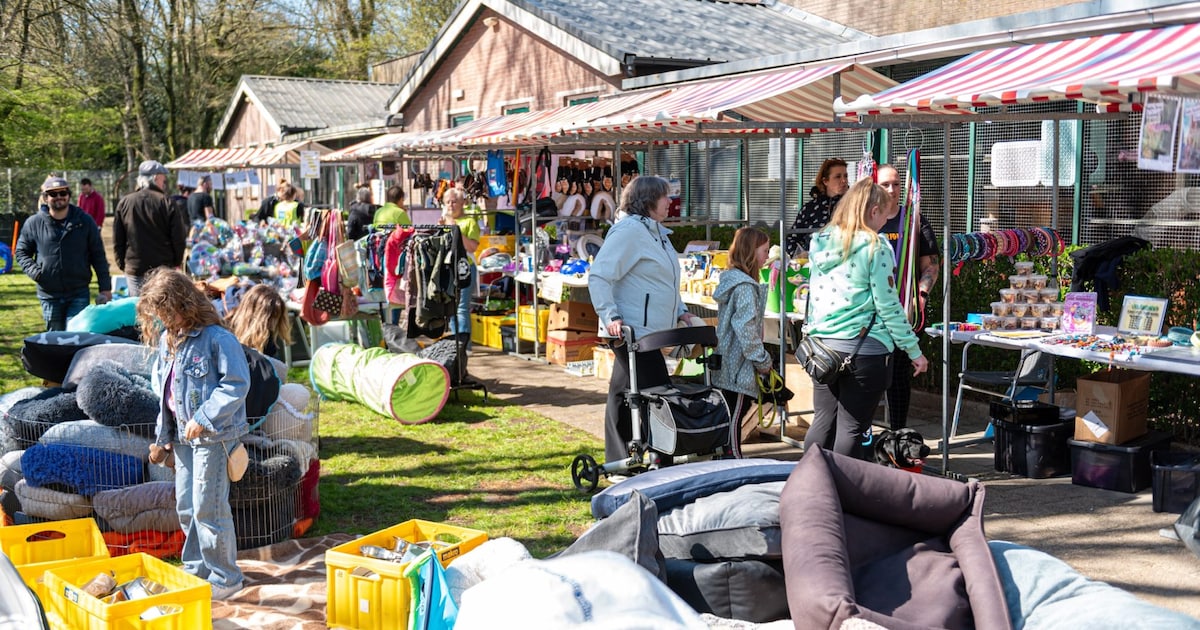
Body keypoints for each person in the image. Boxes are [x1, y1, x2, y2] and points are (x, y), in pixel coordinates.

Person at [138, 268, 248, 600]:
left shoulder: (218, 339)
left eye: (167, 312)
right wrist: (162, 438)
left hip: (213, 437)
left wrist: (205, 416)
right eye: (159, 315)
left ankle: (226, 577)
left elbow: (236, 384)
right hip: (184, 439)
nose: (163, 320)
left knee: (208, 506)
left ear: (185, 304)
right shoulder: (169, 340)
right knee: (186, 504)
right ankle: (197, 570)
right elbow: (165, 393)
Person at [802, 177, 928, 460]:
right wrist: (913, 350)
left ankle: (807, 483)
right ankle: (844, 493)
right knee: (853, 427)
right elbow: (888, 305)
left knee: (823, 420)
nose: (885, 221)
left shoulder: (820, 241)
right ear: (873, 212)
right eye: (885, 214)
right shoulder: (876, 246)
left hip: (822, 347)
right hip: (864, 350)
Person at [589, 175, 705, 464]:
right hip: (632, 331)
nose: (670, 202)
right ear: (649, 200)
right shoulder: (628, 231)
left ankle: (620, 458)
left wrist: (682, 310)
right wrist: (610, 315)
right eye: (665, 197)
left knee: (623, 390)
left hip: (651, 331)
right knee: (655, 390)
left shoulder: (658, 234)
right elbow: (600, 275)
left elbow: (664, 280)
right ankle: (655, 455)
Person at [876, 164, 940, 430]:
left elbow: (931, 265)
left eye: (896, 184)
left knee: (900, 377)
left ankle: (897, 436)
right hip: (871, 314)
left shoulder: (915, 221)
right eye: (885, 184)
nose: (892, 190)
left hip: (905, 312)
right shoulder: (868, 220)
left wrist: (921, 293)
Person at [16, 176, 112, 331]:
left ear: (69, 195)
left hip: (78, 292)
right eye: (53, 194)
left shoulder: (85, 221)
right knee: (55, 341)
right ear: (46, 198)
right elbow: (21, 252)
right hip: (49, 294)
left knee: (77, 337)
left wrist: (105, 288)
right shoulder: (34, 223)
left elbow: (98, 255)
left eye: (63, 193)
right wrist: (36, 273)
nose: (59, 197)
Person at [711, 227, 772, 458]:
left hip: (728, 361)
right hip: (738, 366)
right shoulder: (745, 287)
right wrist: (762, 360)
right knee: (735, 417)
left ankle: (727, 456)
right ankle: (733, 460)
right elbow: (746, 330)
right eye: (764, 251)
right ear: (751, 252)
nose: (767, 256)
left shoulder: (733, 282)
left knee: (730, 415)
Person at [113, 160, 188, 296]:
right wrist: (176, 262)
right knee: (163, 311)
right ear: (155, 178)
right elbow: (178, 238)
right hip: (163, 268)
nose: (164, 183)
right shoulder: (167, 202)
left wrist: (123, 264)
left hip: (135, 267)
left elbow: (118, 239)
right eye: (162, 179)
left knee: (139, 310)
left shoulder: (125, 202)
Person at [786, 157, 849, 256]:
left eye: (845, 176)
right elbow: (791, 238)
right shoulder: (809, 209)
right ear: (825, 181)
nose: (844, 180)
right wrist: (800, 257)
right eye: (838, 177)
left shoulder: (853, 205)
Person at [439, 186, 478, 345]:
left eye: (454, 202)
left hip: (465, 268)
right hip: (448, 269)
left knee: (461, 308)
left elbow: (472, 247)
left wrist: (456, 230)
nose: (450, 205)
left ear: (462, 203)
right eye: (447, 202)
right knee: (451, 308)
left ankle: (464, 345)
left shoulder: (469, 222)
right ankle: (454, 345)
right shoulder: (443, 222)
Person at [225, 283, 293, 359]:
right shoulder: (226, 332)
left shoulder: (267, 336)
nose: (273, 323)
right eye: (270, 318)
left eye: (277, 317)